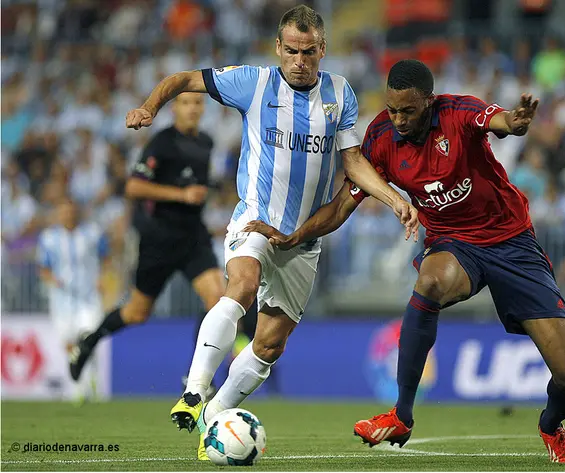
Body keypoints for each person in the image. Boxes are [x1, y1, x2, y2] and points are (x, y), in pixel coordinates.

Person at [244, 59, 565, 464]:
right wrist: (296, 236)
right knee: (429, 283)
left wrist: (517, 121)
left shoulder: (457, 113)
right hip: (453, 242)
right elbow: (342, 205)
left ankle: (550, 425)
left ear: (429, 100)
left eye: (408, 110)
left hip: (511, 241)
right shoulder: (381, 138)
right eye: (392, 109)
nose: (398, 119)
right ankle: (401, 415)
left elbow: (503, 122)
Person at [124, 4, 418, 460]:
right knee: (240, 286)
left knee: (269, 344)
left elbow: (353, 162)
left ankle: (212, 419)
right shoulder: (253, 82)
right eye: (292, 51)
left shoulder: (340, 93)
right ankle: (197, 388)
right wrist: (148, 106)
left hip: (302, 240)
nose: (300, 61)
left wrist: (394, 198)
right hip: (256, 219)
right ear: (278, 48)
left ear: (323, 49)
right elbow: (183, 80)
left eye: (309, 52)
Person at [69, 93, 228, 396]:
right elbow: (133, 186)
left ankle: (197, 378)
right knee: (137, 312)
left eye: (198, 103)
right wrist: (181, 195)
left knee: (218, 299)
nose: (193, 108)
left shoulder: (206, 142)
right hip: (159, 240)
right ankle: (88, 342)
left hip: (193, 237)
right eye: (186, 103)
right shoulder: (162, 143)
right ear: (175, 109)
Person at [37, 198, 108, 403]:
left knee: (89, 338)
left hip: (88, 297)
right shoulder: (49, 238)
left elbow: (106, 256)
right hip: (62, 300)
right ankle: (80, 385)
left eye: (71, 211)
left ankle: (90, 380)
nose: (68, 215)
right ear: (59, 215)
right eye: (63, 212)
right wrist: (51, 279)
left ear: (76, 213)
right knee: (69, 344)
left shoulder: (92, 234)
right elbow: (44, 267)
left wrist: (103, 278)